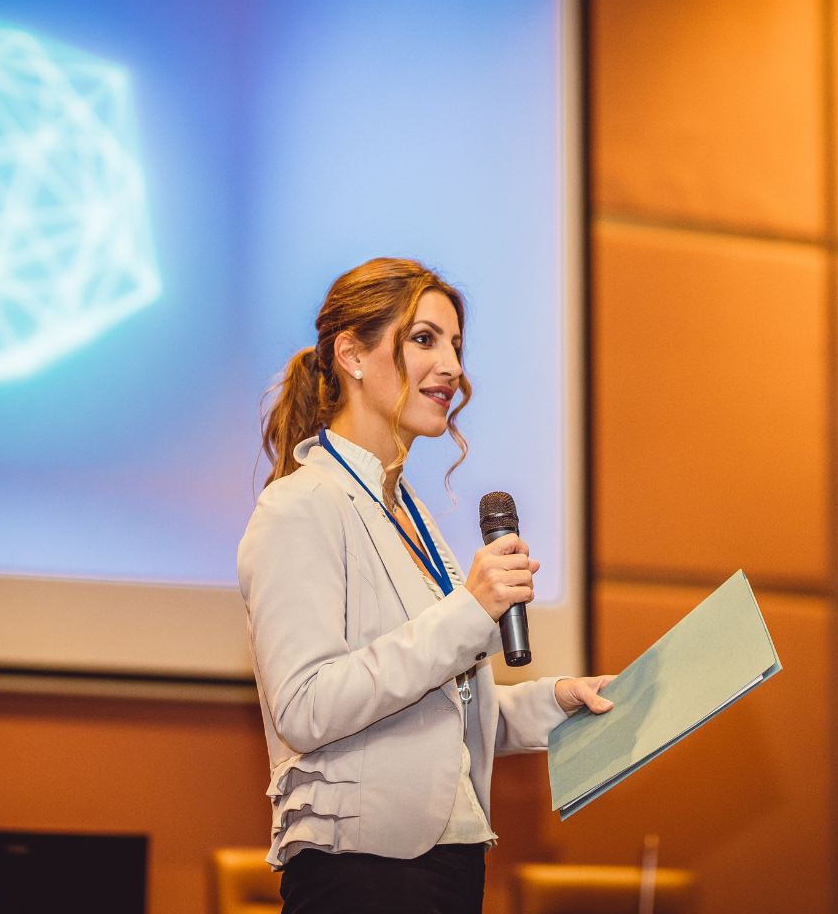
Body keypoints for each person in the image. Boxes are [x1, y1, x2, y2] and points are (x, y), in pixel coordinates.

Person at [238, 258, 613, 914]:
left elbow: (437, 712)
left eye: (456, 347)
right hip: (362, 879)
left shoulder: (409, 514)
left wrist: (557, 702)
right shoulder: (300, 506)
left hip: (450, 869)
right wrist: (469, 611)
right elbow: (305, 707)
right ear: (351, 354)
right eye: (424, 339)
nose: (451, 367)